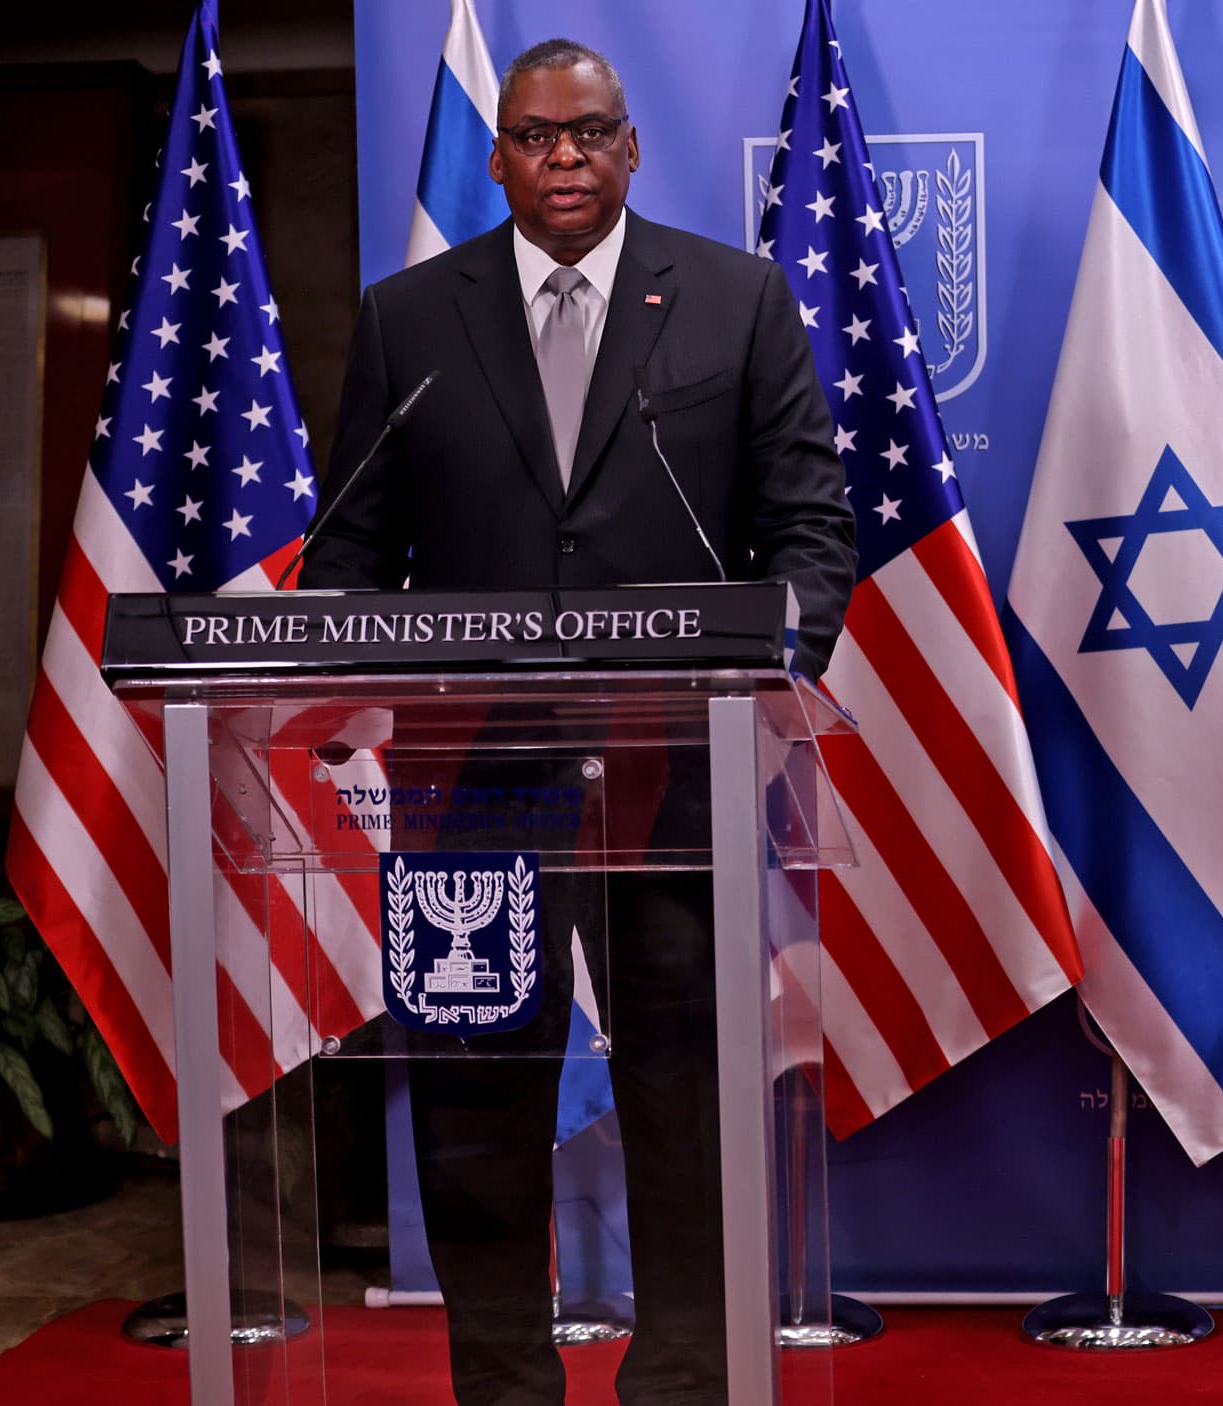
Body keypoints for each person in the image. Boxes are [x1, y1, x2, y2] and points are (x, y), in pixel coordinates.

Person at [299, 38, 854, 1406]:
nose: (565, 159)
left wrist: (764, 674)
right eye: (538, 137)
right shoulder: (409, 317)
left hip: (680, 768)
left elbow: (809, 531)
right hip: (471, 777)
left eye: (591, 133)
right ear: (497, 156)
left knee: (687, 1089)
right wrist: (337, 671)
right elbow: (352, 550)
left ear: (632, 148)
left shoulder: (734, 301)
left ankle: (680, 1379)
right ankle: (500, 1382)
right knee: (479, 1097)